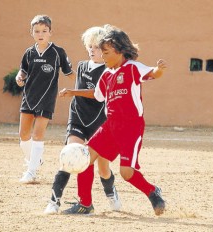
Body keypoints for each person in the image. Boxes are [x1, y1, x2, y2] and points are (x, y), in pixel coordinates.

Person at [63, 25, 167, 216]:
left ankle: (152, 191)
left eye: (106, 52)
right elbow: (96, 95)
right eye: (101, 52)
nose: (102, 57)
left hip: (131, 127)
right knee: (85, 159)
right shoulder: (106, 74)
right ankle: (85, 204)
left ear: (120, 51)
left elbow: (152, 73)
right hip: (110, 126)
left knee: (126, 173)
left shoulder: (132, 68)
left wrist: (159, 69)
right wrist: (73, 92)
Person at [44, 26, 121, 215]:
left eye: (96, 46)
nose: (92, 50)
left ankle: (110, 192)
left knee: (103, 170)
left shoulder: (109, 71)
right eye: (89, 46)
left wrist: (72, 92)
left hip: (100, 123)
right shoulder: (82, 66)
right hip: (78, 118)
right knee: (71, 156)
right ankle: (56, 202)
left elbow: (98, 95)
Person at [15, 15, 75, 183]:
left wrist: (83, 85)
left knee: (38, 134)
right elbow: (23, 71)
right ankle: (35, 159)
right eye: (37, 31)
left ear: (50, 32)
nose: (40, 34)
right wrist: (19, 77)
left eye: (44, 31)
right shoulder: (29, 52)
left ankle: (31, 171)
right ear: (31, 33)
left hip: (47, 97)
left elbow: (69, 73)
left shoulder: (58, 52)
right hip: (29, 96)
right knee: (23, 135)